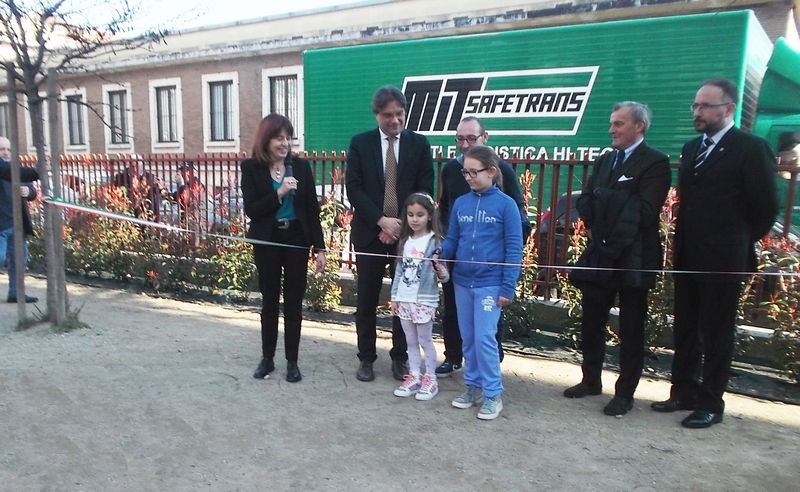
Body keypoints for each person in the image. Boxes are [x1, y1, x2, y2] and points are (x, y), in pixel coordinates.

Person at [651, 79, 778, 428]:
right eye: (695, 106)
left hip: (724, 260)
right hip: (689, 256)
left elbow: (766, 207)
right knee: (686, 327)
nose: (698, 112)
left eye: (705, 106)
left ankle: (710, 403)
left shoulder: (751, 148)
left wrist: (735, 241)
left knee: (718, 332)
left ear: (728, 109)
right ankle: (683, 392)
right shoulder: (692, 148)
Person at [563, 102, 671, 416]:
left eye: (619, 124)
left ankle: (625, 393)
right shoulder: (605, 159)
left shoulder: (655, 162)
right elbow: (585, 199)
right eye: (612, 124)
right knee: (592, 320)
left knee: (631, 328)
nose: (612, 130)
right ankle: (590, 379)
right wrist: (605, 204)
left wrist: (604, 199)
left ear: (639, 126)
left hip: (634, 255)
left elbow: (646, 211)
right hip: (602, 251)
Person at [345, 85, 434, 382]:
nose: (394, 120)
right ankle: (366, 359)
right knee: (367, 299)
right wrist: (381, 222)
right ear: (377, 115)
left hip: (407, 238)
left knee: (404, 300)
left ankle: (401, 358)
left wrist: (399, 225)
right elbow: (354, 189)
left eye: (399, 114)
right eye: (388, 115)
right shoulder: (360, 143)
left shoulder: (420, 144)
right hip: (371, 234)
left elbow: (425, 190)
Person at [436, 116, 530, 376]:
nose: (464, 144)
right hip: (459, 250)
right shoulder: (450, 170)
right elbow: (446, 207)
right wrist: (446, 244)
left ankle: (491, 364)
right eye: (460, 138)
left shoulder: (502, 171)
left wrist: (505, 253)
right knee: (455, 309)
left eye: (471, 138)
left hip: (490, 259)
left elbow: (517, 210)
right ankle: (453, 356)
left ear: (484, 139)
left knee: (488, 319)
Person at [241, 114, 326, 383]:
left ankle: (292, 361)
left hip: (296, 241)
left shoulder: (300, 167)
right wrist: (279, 193)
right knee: (269, 302)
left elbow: (312, 208)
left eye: (288, 137)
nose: (284, 143)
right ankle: (267, 359)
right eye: (279, 137)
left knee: (293, 304)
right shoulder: (251, 168)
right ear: (266, 139)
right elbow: (252, 210)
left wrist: (319, 248)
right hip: (267, 241)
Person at [390, 193, 449, 401]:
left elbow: (445, 274)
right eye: (411, 215)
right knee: (410, 340)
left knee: (425, 340)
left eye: (420, 215)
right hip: (405, 299)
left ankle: (430, 378)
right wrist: (395, 297)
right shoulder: (405, 241)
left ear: (430, 215)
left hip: (424, 299)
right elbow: (398, 270)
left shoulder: (436, 241)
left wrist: (441, 272)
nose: (415, 219)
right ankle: (414, 375)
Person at [0, 136, 40, 303]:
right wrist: (36, 171)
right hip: (2, 224)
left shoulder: (16, 169)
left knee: (19, 261)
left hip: (18, 224)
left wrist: (28, 191)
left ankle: (16, 293)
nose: (6, 153)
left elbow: (32, 191)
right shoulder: (7, 170)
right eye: (2, 149)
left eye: (9, 149)